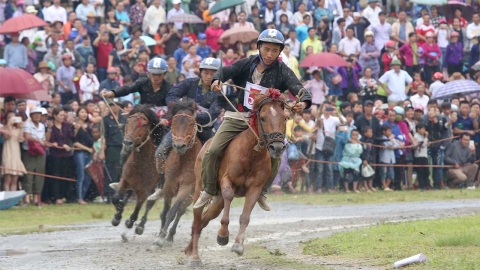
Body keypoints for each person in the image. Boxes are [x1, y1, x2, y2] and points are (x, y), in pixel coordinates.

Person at [193, 29, 311, 211]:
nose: (270, 54)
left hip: (265, 123)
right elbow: (226, 71)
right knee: (213, 150)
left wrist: (303, 103)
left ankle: (262, 190)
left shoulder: (283, 71)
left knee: (277, 153)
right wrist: (217, 79)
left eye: (274, 50)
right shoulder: (247, 63)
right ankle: (208, 189)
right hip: (239, 116)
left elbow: (299, 88)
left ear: (280, 52)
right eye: (266, 49)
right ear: (259, 48)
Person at [148, 58, 223, 200]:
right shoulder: (189, 83)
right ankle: (161, 185)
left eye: (213, 73)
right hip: (182, 128)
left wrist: (193, 116)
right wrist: (184, 108)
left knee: (216, 154)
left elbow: (211, 115)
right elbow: (171, 95)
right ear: (201, 72)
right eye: (206, 72)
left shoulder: (219, 93)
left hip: (204, 130)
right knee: (160, 152)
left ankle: (212, 187)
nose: (208, 76)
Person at [45, 107, 73, 204]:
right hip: (55, 154)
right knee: (56, 176)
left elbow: (71, 136)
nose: (62, 117)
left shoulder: (65, 125)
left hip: (66, 154)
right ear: (54, 116)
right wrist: (61, 145)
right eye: (60, 115)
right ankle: (56, 197)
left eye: (63, 115)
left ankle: (63, 195)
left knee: (64, 174)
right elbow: (49, 140)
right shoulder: (51, 126)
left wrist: (74, 126)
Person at [22, 107, 48, 206]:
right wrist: (38, 141)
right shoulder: (27, 124)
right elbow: (26, 136)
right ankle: (27, 199)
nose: (37, 116)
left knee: (40, 175)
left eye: (39, 114)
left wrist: (43, 143)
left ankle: (37, 199)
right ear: (31, 115)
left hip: (40, 152)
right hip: (29, 152)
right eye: (35, 114)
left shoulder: (41, 126)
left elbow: (44, 139)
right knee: (28, 175)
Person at [1, 111, 26, 191]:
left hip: (16, 154)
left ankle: (12, 198)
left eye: (14, 117)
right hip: (8, 153)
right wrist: (9, 124)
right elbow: (7, 136)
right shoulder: (4, 128)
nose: (12, 119)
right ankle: (7, 198)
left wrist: (21, 127)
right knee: (7, 179)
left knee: (14, 180)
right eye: (10, 117)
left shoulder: (17, 129)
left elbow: (21, 139)